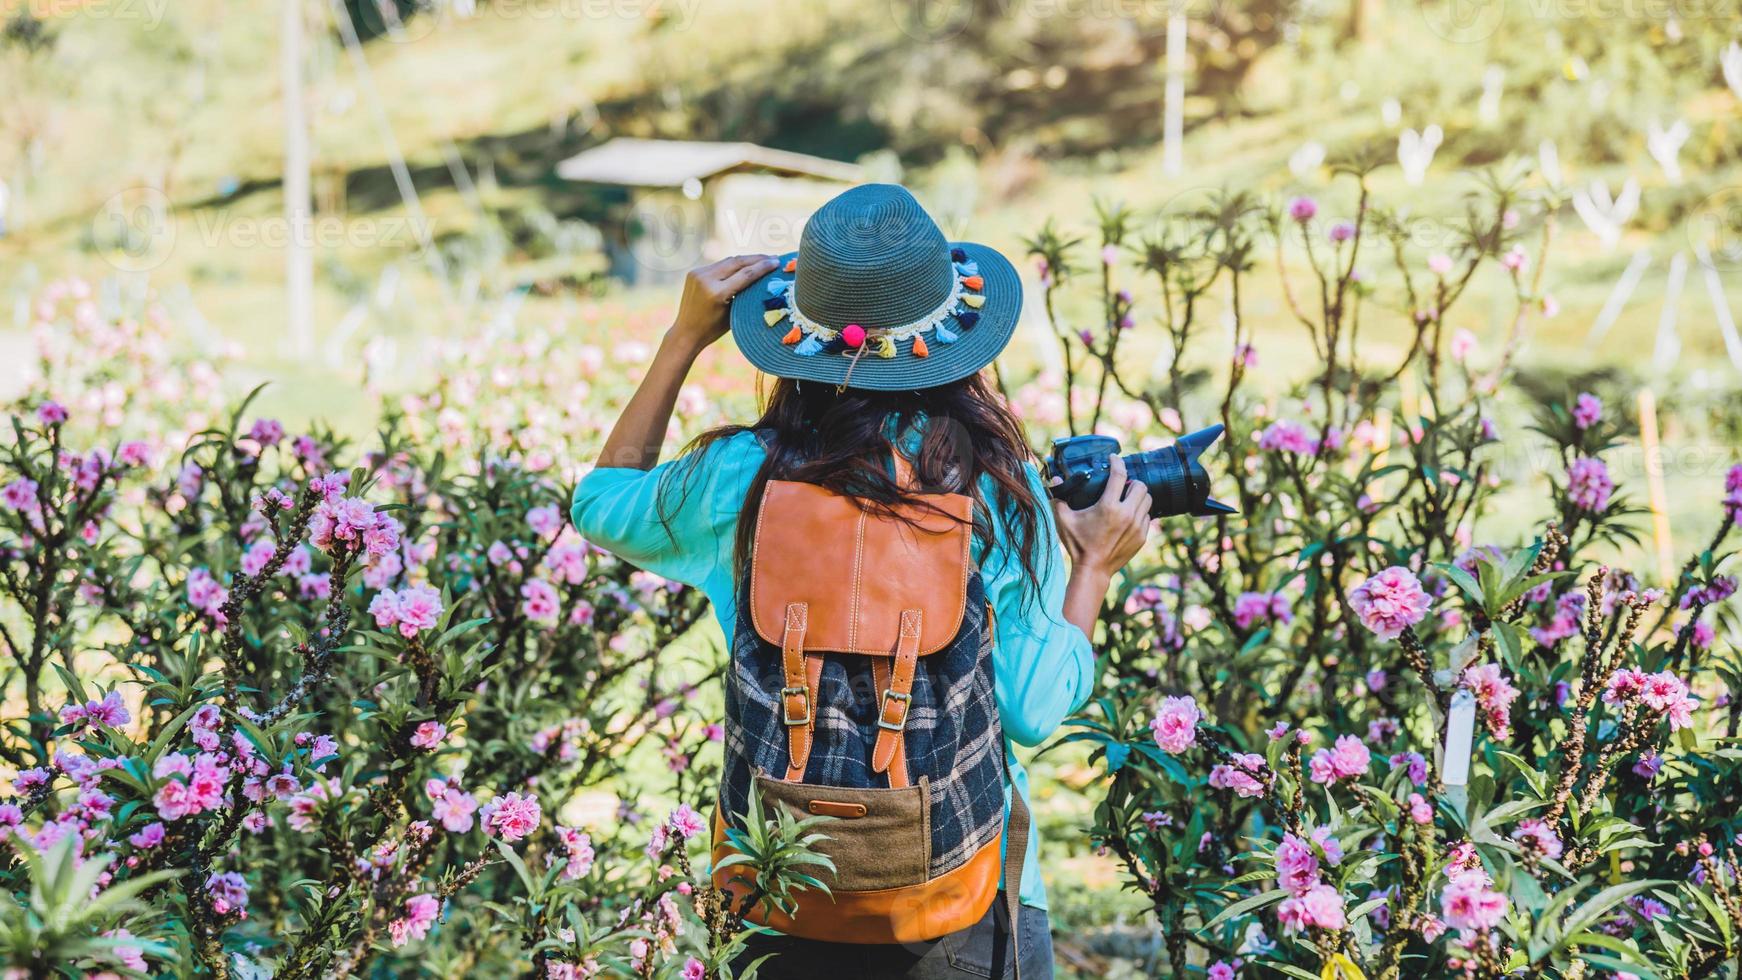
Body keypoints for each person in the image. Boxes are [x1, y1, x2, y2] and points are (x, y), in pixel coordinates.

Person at [572, 184, 1152, 979]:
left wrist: (681, 339)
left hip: (775, 885)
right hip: (961, 896)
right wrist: (1093, 566)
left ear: (792, 339)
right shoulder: (991, 484)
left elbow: (600, 504)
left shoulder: (739, 477)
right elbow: (1032, 706)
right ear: (955, 337)